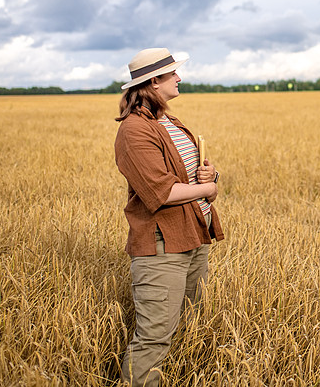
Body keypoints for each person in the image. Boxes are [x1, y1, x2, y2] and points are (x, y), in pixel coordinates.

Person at [114, 47, 224, 387]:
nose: (179, 78)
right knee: (153, 338)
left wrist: (210, 178)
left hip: (194, 235)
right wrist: (204, 192)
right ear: (153, 82)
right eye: (172, 74)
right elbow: (160, 192)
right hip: (163, 248)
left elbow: (191, 178)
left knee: (187, 323)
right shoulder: (134, 131)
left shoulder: (170, 121)